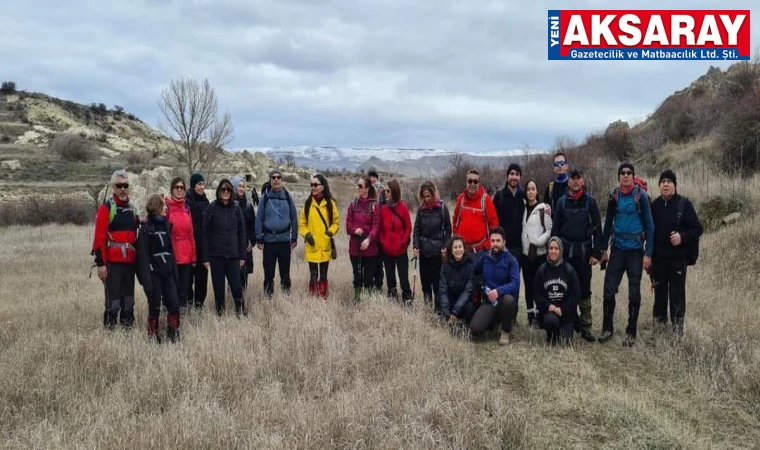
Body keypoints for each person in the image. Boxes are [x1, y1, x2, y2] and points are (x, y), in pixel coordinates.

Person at [599, 163, 655, 347]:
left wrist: (648, 254)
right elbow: (607, 225)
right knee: (608, 290)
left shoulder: (641, 196)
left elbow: (650, 226)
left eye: (628, 173)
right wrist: (604, 250)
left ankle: (631, 332)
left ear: (633, 176)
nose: (625, 176)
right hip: (617, 249)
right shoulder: (614, 196)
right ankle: (607, 328)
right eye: (622, 173)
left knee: (634, 292)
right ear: (618, 177)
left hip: (635, 250)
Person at [550, 168, 603, 342]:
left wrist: (597, 253)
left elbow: (597, 229)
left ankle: (586, 328)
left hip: (584, 254)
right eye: (572, 179)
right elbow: (555, 230)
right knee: (565, 290)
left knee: (584, 291)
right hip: (565, 254)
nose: (575, 182)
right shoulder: (561, 203)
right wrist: (555, 253)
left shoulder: (591, 202)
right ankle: (567, 324)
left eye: (578, 178)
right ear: (568, 182)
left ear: (583, 181)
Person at [650, 170, 703, 335]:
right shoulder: (655, 205)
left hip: (677, 260)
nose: (666, 184)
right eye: (663, 181)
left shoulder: (684, 204)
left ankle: (677, 332)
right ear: (659, 186)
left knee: (677, 296)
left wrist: (682, 237)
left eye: (669, 181)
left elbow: (698, 228)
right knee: (659, 296)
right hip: (658, 260)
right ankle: (659, 329)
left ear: (674, 185)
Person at [91, 169, 138, 330]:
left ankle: (127, 333)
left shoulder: (132, 208)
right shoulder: (106, 209)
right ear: (113, 188)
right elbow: (99, 239)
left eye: (125, 185)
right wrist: (101, 264)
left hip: (130, 263)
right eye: (119, 186)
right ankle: (110, 334)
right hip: (113, 264)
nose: (123, 189)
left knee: (129, 301)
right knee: (113, 302)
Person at [136, 194, 181, 342]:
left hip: (168, 272)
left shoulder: (166, 226)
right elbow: (142, 258)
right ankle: (153, 335)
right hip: (154, 274)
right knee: (154, 306)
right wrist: (146, 281)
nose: (166, 208)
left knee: (174, 303)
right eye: (163, 206)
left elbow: (171, 253)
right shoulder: (145, 230)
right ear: (156, 208)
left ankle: (173, 333)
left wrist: (175, 274)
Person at [201, 179, 247, 317]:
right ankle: (220, 315)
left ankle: (241, 313)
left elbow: (242, 233)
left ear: (231, 192)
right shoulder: (212, 207)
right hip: (217, 256)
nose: (225, 192)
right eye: (223, 190)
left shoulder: (237, 208)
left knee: (237, 288)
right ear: (219, 191)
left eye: (228, 190)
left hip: (233, 256)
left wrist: (242, 255)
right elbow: (205, 233)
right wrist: (205, 257)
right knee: (219, 290)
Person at [471, 227, 520, 346]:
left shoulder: (511, 260)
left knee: (508, 300)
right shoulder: (485, 257)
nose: (495, 244)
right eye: (492, 241)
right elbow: (473, 270)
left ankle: (506, 330)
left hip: (505, 302)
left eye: (498, 241)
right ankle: (494, 323)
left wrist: (498, 291)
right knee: (476, 330)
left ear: (504, 242)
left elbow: (515, 284)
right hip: (489, 303)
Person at [255, 169, 298, 297]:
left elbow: (294, 217)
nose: (276, 179)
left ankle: (286, 298)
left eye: (278, 177)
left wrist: (294, 236)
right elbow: (259, 218)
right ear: (270, 180)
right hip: (269, 241)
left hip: (284, 241)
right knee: (269, 274)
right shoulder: (265, 198)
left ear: (282, 180)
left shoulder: (287, 196)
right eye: (273, 177)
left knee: (285, 274)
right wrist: (259, 239)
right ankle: (268, 299)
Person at [412, 180, 451, 313]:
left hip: (438, 253)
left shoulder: (442, 208)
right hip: (424, 252)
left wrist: (445, 246)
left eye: (429, 196)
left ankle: (438, 311)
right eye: (424, 196)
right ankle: (428, 310)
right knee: (425, 284)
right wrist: (416, 245)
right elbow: (416, 229)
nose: (427, 199)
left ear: (434, 194)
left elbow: (448, 229)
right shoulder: (421, 210)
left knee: (437, 284)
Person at [298, 174, 340, 299]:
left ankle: (322, 298)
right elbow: (302, 224)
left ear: (322, 187)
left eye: (315, 185)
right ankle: (312, 297)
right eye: (311, 185)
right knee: (313, 275)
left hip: (325, 246)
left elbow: (336, 223)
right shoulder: (307, 204)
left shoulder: (330, 204)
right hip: (312, 246)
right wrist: (307, 234)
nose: (313, 187)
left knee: (323, 275)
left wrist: (330, 232)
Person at [533, 237, 580, 346]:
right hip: (549, 312)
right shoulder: (542, 270)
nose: (553, 251)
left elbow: (576, 294)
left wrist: (562, 309)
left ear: (561, 250)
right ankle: (551, 334)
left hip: (566, 313)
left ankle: (562, 331)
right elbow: (536, 294)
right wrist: (550, 307)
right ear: (547, 250)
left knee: (565, 342)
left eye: (556, 248)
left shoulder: (568, 270)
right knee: (551, 322)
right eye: (551, 248)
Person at [520, 179, 553, 328]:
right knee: (528, 286)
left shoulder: (543, 209)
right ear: (525, 192)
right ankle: (530, 315)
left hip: (540, 254)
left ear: (537, 191)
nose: (531, 192)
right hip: (526, 255)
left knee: (539, 286)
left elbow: (549, 229)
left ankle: (541, 315)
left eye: (533, 189)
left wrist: (539, 241)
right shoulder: (524, 208)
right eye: (528, 189)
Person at [346, 175, 381, 302]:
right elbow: (348, 226)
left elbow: (376, 227)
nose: (358, 188)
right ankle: (357, 300)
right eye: (358, 185)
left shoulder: (374, 205)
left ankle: (367, 302)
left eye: (360, 186)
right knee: (357, 277)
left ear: (367, 188)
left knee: (368, 277)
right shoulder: (353, 205)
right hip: (355, 248)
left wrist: (368, 239)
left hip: (370, 249)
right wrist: (355, 230)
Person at [379, 179, 414, 303]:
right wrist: (383, 242)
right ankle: (392, 294)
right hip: (387, 250)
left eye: (388, 191)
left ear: (394, 192)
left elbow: (408, 227)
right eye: (384, 191)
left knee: (403, 276)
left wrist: (403, 242)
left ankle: (407, 297)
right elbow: (381, 229)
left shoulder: (402, 208)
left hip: (401, 250)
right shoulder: (383, 209)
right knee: (390, 276)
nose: (385, 193)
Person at [165, 177, 195, 314]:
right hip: (172, 255)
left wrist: (193, 256)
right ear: (171, 190)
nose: (179, 190)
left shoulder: (186, 208)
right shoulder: (165, 208)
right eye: (176, 187)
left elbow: (191, 234)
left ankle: (181, 317)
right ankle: (169, 316)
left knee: (184, 288)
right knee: (171, 289)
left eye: (182, 188)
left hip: (186, 255)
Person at [452, 169, 500, 255]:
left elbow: (494, 224)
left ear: (479, 183)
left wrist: (487, 244)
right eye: (470, 181)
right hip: (462, 251)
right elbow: (455, 221)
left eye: (475, 181)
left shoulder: (486, 199)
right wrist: (456, 240)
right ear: (466, 183)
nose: (472, 184)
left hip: (480, 251)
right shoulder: (461, 198)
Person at [439, 235, 475, 329]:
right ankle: (451, 322)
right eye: (455, 247)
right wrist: (447, 314)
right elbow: (443, 291)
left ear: (464, 249)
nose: (458, 250)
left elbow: (468, 291)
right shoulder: (445, 266)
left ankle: (464, 325)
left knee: (470, 307)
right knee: (441, 305)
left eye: (460, 247)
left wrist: (455, 312)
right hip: (450, 304)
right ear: (451, 250)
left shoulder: (470, 266)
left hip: (463, 305)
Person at [185, 173, 209, 311]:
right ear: (193, 185)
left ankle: (199, 306)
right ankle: (188, 306)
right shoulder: (187, 202)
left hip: (203, 248)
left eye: (202, 184)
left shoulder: (206, 201)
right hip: (189, 248)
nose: (201, 187)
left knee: (202, 280)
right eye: (199, 184)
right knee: (188, 280)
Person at [493, 163, 525, 260]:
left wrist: (546, 206)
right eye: (512, 174)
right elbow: (493, 222)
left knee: (515, 274)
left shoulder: (524, 196)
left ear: (520, 177)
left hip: (519, 246)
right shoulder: (499, 196)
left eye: (517, 174)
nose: (514, 177)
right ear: (507, 176)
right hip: (503, 246)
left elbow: (537, 202)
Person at [232, 176, 257, 293]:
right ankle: (232, 300)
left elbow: (253, 226)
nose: (241, 189)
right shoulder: (229, 204)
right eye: (239, 186)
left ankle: (242, 300)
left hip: (245, 246)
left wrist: (252, 242)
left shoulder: (248, 206)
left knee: (244, 276)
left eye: (243, 186)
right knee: (232, 275)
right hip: (232, 246)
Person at [368, 169, 387, 291]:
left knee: (379, 259)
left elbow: (385, 207)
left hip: (380, 231)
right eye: (370, 177)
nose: (372, 179)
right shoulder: (366, 192)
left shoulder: (383, 191)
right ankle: (370, 283)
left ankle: (378, 284)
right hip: (369, 230)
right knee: (370, 259)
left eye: (374, 176)